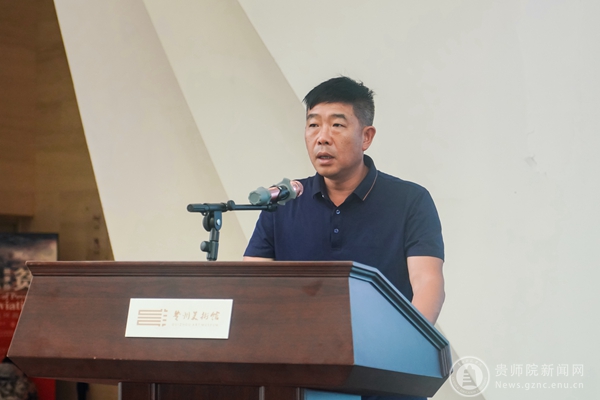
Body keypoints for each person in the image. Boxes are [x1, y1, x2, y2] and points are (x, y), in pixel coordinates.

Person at [244, 76, 445, 400]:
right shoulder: (282, 204)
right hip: (299, 374)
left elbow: (427, 282)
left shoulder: (410, 200)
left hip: (384, 377)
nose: (322, 138)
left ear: (366, 136)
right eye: (313, 125)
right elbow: (251, 287)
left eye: (337, 125)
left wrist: (399, 349)